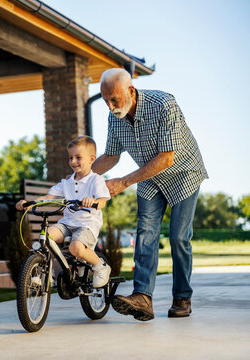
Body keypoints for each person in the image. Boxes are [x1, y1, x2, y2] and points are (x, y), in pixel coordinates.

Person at [93, 68, 208, 321]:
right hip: (149, 176)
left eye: (115, 99)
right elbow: (111, 155)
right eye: (106, 101)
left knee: (178, 237)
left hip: (183, 173)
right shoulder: (115, 119)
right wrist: (81, 176)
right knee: (145, 233)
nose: (111, 107)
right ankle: (143, 297)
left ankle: (182, 297)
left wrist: (123, 182)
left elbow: (167, 158)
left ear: (131, 91)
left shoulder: (164, 104)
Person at [16, 136, 111, 287]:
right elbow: (48, 197)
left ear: (92, 159)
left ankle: (101, 267)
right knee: (46, 238)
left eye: (78, 157)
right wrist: (29, 203)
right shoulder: (66, 183)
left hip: (87, 224)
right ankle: (47, 275)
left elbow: (103, 202)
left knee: (75, 248)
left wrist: (92, 202)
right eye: (71, 158)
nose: (73, 161)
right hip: (67, 222)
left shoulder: (96, 180)